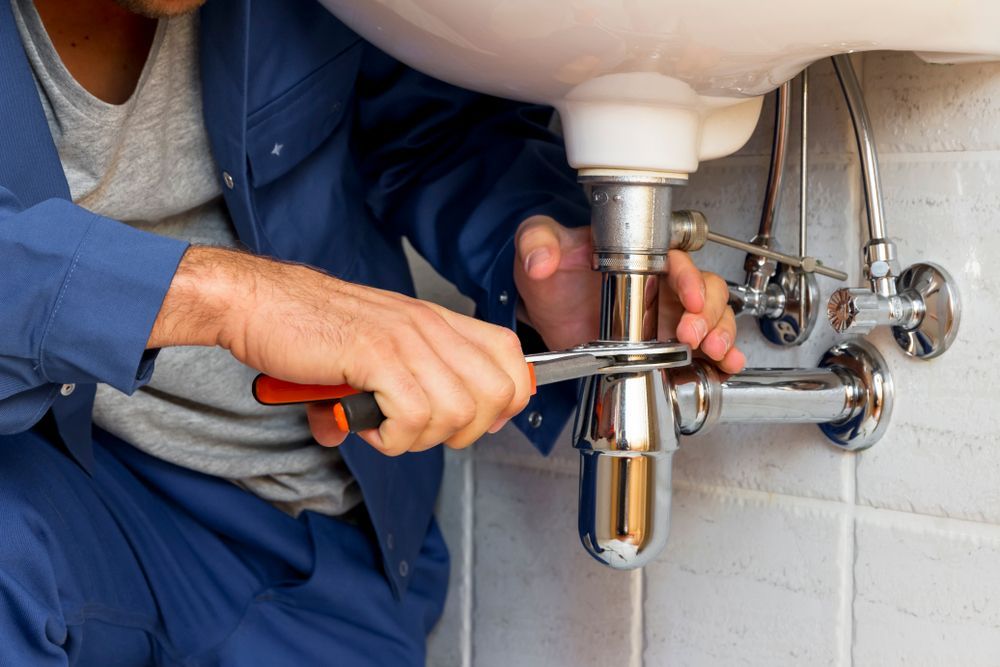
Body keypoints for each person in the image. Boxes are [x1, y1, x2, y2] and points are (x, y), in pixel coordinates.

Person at [0, 0, 745, 664]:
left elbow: (427, 124)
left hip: (318, 534)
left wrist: (537, 267)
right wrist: (232, 297)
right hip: (65, 488)